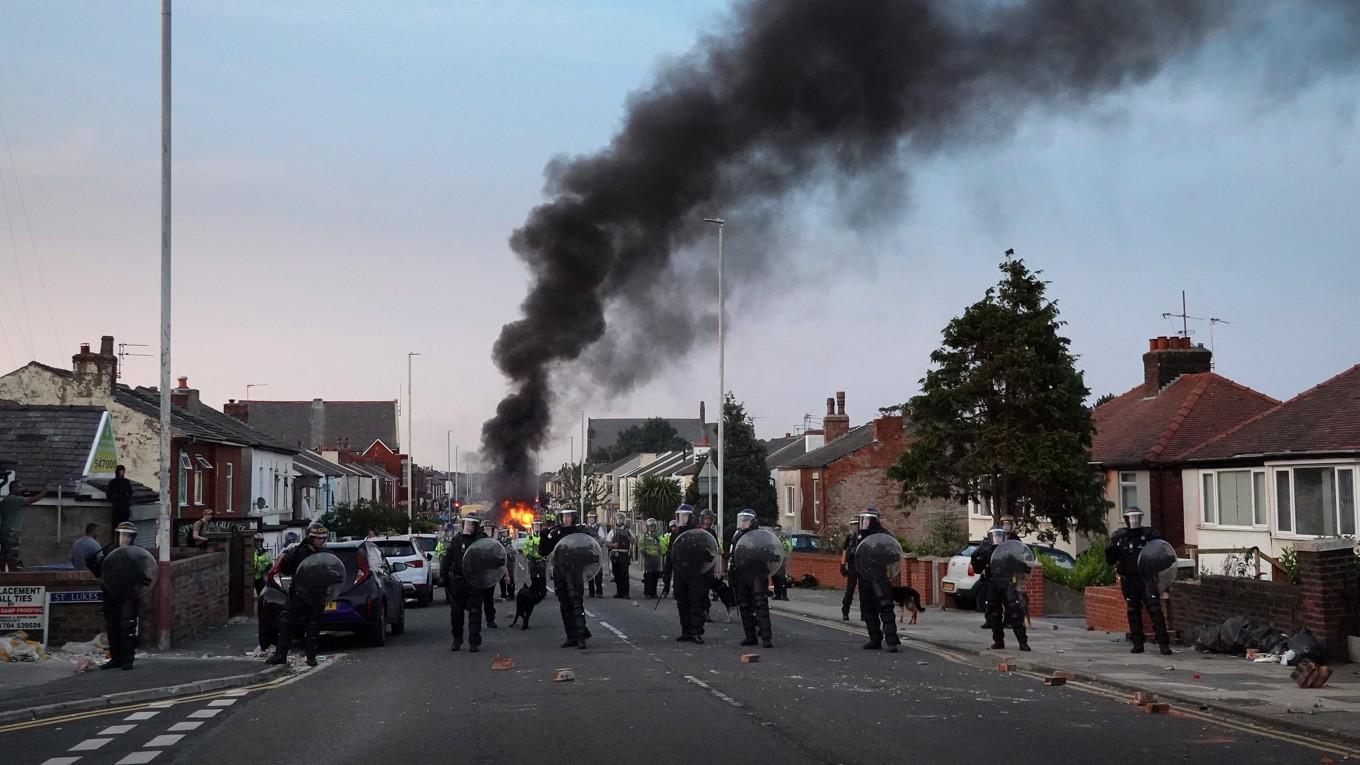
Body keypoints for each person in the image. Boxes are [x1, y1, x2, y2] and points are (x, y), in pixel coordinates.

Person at [1106, 507, 1172, 655]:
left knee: (1155, 610)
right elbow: (1111, 559)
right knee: (1133, 611)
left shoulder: (1150, 535)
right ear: (1126, 520)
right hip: (1129, 579)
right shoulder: (1120, 537)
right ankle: (1137, 643)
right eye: (1131, 518)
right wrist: (1110, 547)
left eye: (1136, 517)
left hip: (1147, 579)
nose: (1134, 521)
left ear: (1141, 519)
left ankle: (1163, 643)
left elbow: (1163, 553)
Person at [267, 522, 331, 666]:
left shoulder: (326, 554)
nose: (322, 541)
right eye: (318, 538)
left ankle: (311, 657)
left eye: (323, 538)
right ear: (310, 538)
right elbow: (286, 568)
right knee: (286, 623)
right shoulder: (298, 551)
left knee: (313, 626)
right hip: (298, 594)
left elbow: (334, 571)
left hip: (316, 595)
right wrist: (291, 553)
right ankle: (280, 655)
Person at [87, 522, 145, 670]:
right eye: (123, 535)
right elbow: (100, 571)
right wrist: (92, 562)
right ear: (117, 535)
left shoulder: (136, 554)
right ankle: (116, 659)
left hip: (127, 594)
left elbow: (142, 574)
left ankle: (127, 660)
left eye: (129, 536)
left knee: (127, 626)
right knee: (112, 626)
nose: (126, 539)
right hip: (110, 592)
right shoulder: (109, 551)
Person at [971, 526, 1030, 652]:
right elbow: (977, 568)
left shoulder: (1008, 551)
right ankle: (998, 641)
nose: (998, 538)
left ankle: (1023, 642)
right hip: (992, 585)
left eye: (1000, 535)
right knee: (994, 614)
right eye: (996, 535)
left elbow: (1021, 565)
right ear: (990, 537)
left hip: (1008, 584)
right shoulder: (985, 551)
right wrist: (976, 555)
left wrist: (1025, 566)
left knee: (1015, 613)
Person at [539, 507, 590, 649]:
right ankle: (571, 636)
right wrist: (544, 536)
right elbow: (543, 551)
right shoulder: (555, 533)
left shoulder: (580, 532)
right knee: (565, 606)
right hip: (559, 572)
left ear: (574, 517)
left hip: (574, 572)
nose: (565, 519)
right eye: (563, 516)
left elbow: (589, 549)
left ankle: (581, 637)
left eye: (568, 516)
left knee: (576, 604)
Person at [855, 510, 902, 652]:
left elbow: (893, 554)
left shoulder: (884, 535)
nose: (864, 523)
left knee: (885, 607)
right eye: (862, 520)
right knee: (868, 609)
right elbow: (855, 554)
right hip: (864, 576)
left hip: (880, 576)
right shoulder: (860, 536)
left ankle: (891, 641)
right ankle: (874, 639)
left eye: (867, 520)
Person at [440, 515, 486, 653]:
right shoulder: (457, 540)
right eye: (466, 524)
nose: (468, 527)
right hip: (458, 581)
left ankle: (474, 641)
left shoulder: (481, 542)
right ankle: (457, 640)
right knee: (456, 613)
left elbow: (489, 559)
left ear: (476, 527)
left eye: (471, 524)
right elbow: (447, 559)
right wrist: (443, 575)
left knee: (475, 612)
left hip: (474, 581)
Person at [730, 510, 774, 648]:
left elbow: (768, 554)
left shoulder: (760, 536)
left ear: (753, 521)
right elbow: (733, 556)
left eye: (746, 520)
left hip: (756, 574)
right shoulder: (737, 536)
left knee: (760, 604)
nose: (743, 522)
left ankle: (766, 637)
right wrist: (731, 574)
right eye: (741, 520)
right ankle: (750, 636)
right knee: (744, 606)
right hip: (742, 575)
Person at [669, 504, 711, 644]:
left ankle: (696, 632)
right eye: (680, 516)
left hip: (695, 573)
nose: (681, 519)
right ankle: (686, 631)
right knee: (682, 602)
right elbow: (671, 555)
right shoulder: (675, 534)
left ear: (691, 518)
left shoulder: (698, 533)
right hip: (680, 573)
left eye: (684, 516)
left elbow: (706, 552)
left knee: (696, 603)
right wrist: (666, 575)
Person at [0, 477, 48, 571]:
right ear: (13, 488)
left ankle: (2, 575)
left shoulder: (4, 500)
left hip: (3, 532)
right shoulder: (15, 499)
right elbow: (32, 500)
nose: (21, 489)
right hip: (12, 532)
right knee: (12, 556)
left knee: (3, 555)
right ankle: (13, 577)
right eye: (19, 487)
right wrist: (44, 492)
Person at [606, 517, 634, 598]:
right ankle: (619, 592)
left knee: (624, 574)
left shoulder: (628, 530)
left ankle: (626, 593)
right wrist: (613, 545)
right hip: (615, 554)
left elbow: (633, 541)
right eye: (618, 520)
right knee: (616, 574)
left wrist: (627, 534)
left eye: (621, 519)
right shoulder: (613, 531)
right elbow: (607, 543)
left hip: (624, 554)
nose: (619, 521)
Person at [840, 517, 860, 620]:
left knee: (864, 591)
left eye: (856, 524)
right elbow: (844, 551)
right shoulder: (849, 538)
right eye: (852, 524)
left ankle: (865, 613)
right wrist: (842, 565)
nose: (854, 526)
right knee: (850, 590)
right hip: (852, 567)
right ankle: (845, 611)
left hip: (862, 567)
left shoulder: (862, 537)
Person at [639, 518, 664, 598]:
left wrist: (661, 552)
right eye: (650, 526)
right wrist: (644, 553)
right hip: (648, 558)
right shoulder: (645, 536)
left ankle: (654, 592)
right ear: (647, 527)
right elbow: (641, 545)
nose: (652, 528)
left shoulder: (658, 535)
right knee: (648, 576)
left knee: (655, 576)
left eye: (653, 526)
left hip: (656, 558)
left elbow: (662, 546)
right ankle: (647, 593)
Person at [480, 519, 499, 627]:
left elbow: (500, 557)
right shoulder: (477, 542)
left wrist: (505, 574)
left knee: (489, 599)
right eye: (486, 529)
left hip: (490, 575)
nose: (488, 531)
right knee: (476, 599)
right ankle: (476, 620)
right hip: (479, 575)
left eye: (489, 529)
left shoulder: (495, 544)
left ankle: (490, 619)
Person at [585, 512, 605, 598]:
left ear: (595, 519)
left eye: (592, 517)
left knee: (598, 573)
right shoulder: (585, 527)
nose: (591, 519)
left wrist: (595, 541)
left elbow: (603, 539)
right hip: (588, 553)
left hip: (596, 553)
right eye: (589, 517)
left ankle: (599, 591)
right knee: (589, 572)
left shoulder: (598, 528)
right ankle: (591, 591)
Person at [523, 520, 547, 593]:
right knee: (533, 576)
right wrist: (527, 555)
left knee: (542, 576)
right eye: (535, 526)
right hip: (532, 559)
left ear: (540, 527)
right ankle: (534, 589)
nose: (536, 527)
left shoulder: (544, 537)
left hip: (541, 559)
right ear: (532, 527)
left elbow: (548, 547)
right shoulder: (529, 537)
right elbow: (525, 548)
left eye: (538, 526)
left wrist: (545, 555)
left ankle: (543, 590)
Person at [498, 527, 517, 601]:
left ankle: (511, 594)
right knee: (502, 578)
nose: (504, 534)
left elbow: (512, 550)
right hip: (501, 561)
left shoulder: (510, 541)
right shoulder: (498, 541)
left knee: (510, 578)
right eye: (502, 532)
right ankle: (503, 594)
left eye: (505, 532)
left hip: (509, 561)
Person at [660, 519, 677, 597]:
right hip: (669, 555)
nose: (674, 528)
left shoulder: (680, 535)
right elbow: (662, 543)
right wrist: (665, 551)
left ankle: (675, 591)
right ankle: (665, 590)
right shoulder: (668, 535)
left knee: (677, 575)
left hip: (677, 557)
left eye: (675, 526)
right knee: (666, 574)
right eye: (672, 527)